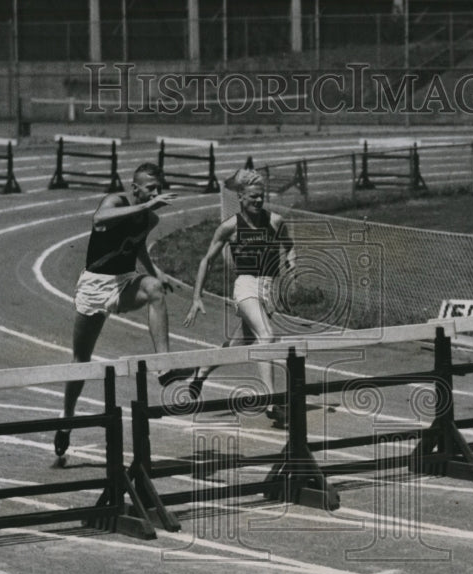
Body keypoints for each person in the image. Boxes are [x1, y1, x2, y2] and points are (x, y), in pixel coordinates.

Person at [57, 163, 188, 457]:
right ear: (135, 188)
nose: (155, 193)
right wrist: (147, 205)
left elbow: (137, 245)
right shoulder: (116, 201)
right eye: (150, 188)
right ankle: (66, 419)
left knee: (154, 289)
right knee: (81, 360)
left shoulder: (150, 218)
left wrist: (156, 270)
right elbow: (99, 219)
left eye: (158, 188)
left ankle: (164, 366)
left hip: (124, 281)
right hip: (94, 284)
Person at [183, 168, 296, 429]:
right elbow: (206, 260)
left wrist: (292, 259)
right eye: (253, 197)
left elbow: (289, 244)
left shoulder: (275, 221)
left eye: (262, 196)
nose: (258, 201)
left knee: (236, 346)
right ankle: (272, 404)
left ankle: (202, 371)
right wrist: (197, 296)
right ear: (241, 198)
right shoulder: (230, 227)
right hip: (245, 287)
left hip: (268, 290)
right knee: (266, 337)